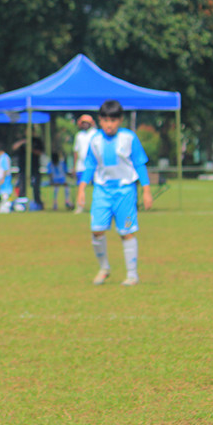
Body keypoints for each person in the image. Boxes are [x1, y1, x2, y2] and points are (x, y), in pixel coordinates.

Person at [76, 100, 153, 286]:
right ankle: (104, 268)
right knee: (96, 230)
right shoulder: (95, 140)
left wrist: (146, 190)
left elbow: (139, 163)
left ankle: (132, 275)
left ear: (120, 120)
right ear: (99, 120)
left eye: (113, 120)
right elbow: (90, 165)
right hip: (102, 191)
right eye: (105, 120)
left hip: (125, 192)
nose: (109, 124)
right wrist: (81, 188)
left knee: (126, 231)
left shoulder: (129, 138)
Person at [73, 114, 98, 214]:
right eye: (83, 123)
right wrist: (74, 166)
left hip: (95, 166)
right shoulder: (79, 135)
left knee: (97, 187)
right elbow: (76, 151)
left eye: (87, 123)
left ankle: (97, 206)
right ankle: (80, 206)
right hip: (81, 165)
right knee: (80, 186)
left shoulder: (96, 134)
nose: (85, 125)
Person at [12, 135, 44, 209]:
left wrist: (31, 149)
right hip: (23, 168)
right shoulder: (21, 140)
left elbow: (40, 152)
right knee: (22, 187)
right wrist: (22, 142)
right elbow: (14, 147)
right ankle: (21, 204)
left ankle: (37, 203)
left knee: (36, 187)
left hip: (34, 168)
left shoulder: (37, 141)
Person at [0, 145, 14, 212]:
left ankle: (6, 208)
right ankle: (4, 208)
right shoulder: (3, 157)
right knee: (3, 194)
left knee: (5, 194)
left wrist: (3, 178)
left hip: (5, 178)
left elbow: (5, 169)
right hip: (3, 178)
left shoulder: (4, 157)